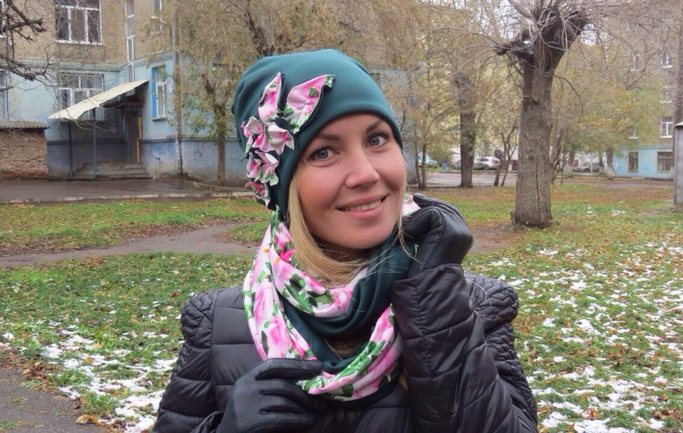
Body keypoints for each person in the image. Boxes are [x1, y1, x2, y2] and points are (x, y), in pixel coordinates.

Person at [152, 49, 537, 433]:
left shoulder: (473, 307)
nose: (366, 173)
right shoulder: (217, 326)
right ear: (282, 186)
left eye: (376, 139)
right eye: (323, 151)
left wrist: (434, 305)